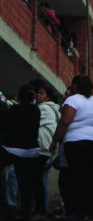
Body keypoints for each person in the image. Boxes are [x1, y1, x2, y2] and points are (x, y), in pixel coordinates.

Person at [50, 76, 93, 220]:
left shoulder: (73, 100)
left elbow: (65, 121)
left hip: (75, 142)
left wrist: (55, 141)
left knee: (75, 176)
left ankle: (77, 211)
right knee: (91, 176)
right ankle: (92, 210)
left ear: (75, 86)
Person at [1, 84, 42, 221]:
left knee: (7, 176)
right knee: (27, 183)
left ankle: (5, 207)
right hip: (31, 151)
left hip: (14, 150)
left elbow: (6, 126)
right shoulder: (36, 111)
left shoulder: (14, 110)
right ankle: (26, 211)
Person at [34, 83, 59, 217]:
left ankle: (40, 211)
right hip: (49, 150)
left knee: (38, 182)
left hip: (43, 150)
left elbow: (33, 124)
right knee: (42, 181)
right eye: (37, 92)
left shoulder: (43, 109)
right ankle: (42, 210)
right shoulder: (54, 109)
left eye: (42, 93)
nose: (38, 95)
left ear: (47, 97)